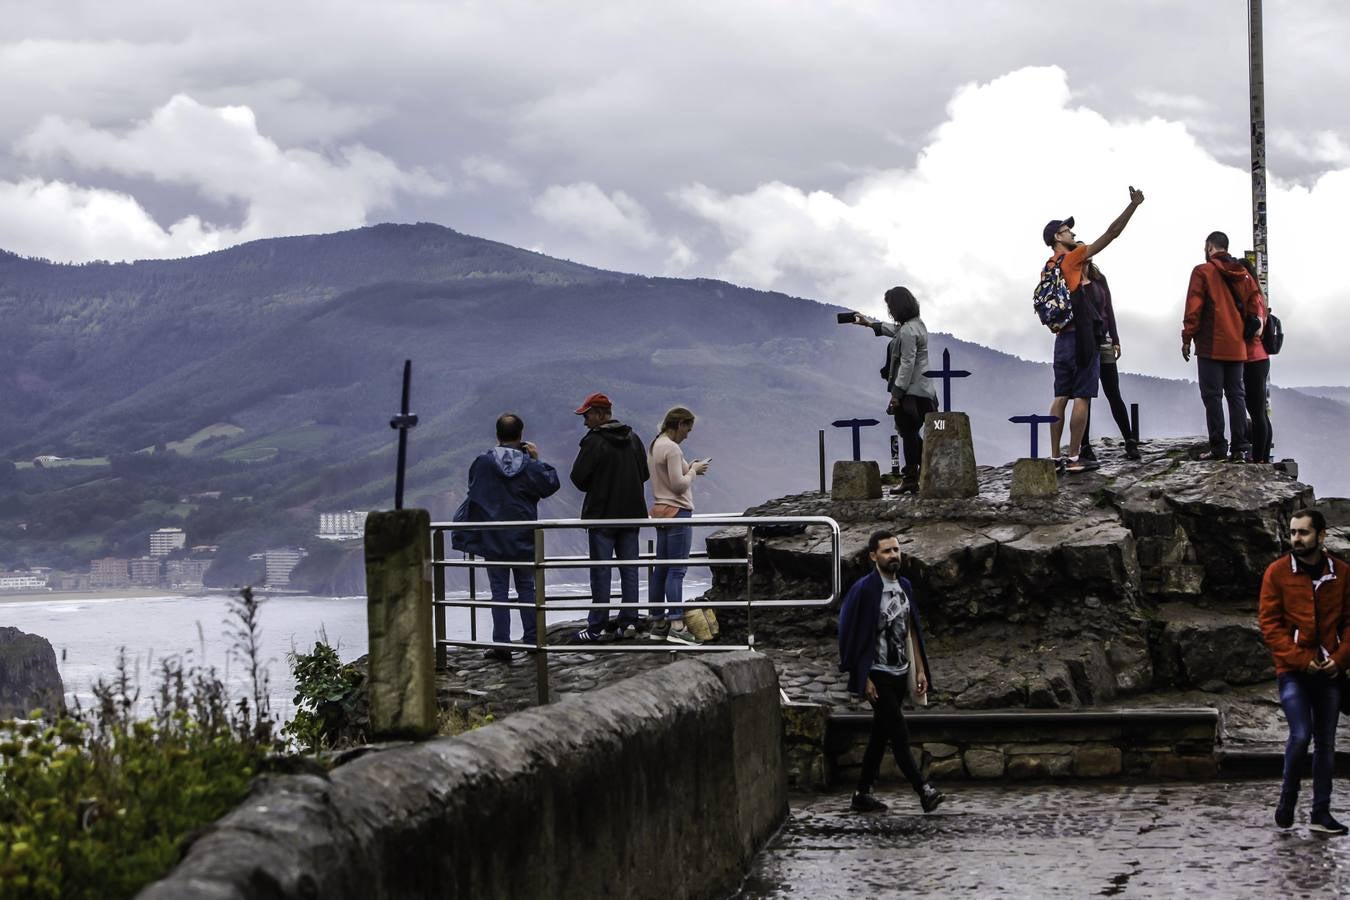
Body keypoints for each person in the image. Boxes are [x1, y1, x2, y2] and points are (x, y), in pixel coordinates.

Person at [837, 529, 944, 814]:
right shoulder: (864, 590)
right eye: (887, 551)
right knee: (898, 731)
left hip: (900, 671)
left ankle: (862, 793)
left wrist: (920, 670)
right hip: (878, 674)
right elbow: (849, 632)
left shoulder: (905, 586)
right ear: (873, 556)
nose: (893, 555)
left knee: (880, 734)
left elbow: (912, 630)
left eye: (896, 550)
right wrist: (863, 677)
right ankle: (923, 789)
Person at [1258, 509, 1350, 834]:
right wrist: (1299, 659)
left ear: (1321, 535)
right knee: (1300, 736)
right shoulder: (1277, 573)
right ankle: (1287, 800)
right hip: (1294, 672)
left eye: (1304, 533)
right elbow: (1270, 626)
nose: (1296, 538)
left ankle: (1320, 814)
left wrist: (1339, 660)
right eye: (1293, 532)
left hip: (1330, 672)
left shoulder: (1341, 573)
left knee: (1326, 743)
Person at [1042, 186, 1145, 473]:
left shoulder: (1048, 266)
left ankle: (1053, 456)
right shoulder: (1072, 259)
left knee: (1060, 396)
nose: (1073, 234)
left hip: (1061, 340)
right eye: (1067, 231)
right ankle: (1075, 457)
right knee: (1082, 397)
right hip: (1081, 337)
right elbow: (1111, 234)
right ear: (1057, 238)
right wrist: (1133, 206)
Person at [452, 414, 560, 661]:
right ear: (521, 435)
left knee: (498, 592)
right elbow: (551, 484)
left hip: (494, 538)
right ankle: (533, 641)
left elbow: (474, 490)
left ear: (497, 435)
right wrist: (536, 459)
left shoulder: (483, 462)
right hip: (523, 537)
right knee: (526, 589)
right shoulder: (530, 464)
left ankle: (502, 645)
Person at [570, 392, 650, 642]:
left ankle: (597, 627)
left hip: (602, 517)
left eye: (587, 415)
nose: (584, 421)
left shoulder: (593, 441)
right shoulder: (633, 439)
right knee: (630, 569)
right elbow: (644, 474)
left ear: (599, 414)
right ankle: (629, 621)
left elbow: (578, 478)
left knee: (601, 571)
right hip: (631, 515)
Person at [852, 287, 939, 493]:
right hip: (925, 392)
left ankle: (910, 478)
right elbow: (895, 331)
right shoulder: (916, 325)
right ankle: (931, 467)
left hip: (911, 393)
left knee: (908, 432)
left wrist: (897, 394)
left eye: (891, 306)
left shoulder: (909, 330)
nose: (890, 311)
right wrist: (869, 323)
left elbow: (907, 363)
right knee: (912, 432)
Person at [1182, 231, 1257, 462]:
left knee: (1212, 396)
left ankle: (1218, 447)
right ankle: (1240, 448)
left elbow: (1194, 307)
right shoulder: (1244, 274)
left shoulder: (1203, 271)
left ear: (1209, 247)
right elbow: (1254, 308)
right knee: (1236, 395)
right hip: (1237, 347)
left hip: (1211, 345)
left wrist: (1187, 337)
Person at [647, 406, 711, 644]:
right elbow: (678, 485)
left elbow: (667, 478)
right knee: (677, 570)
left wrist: (690, 467)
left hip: (661, 512)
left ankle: (657, 622)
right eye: (688, 429)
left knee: (661, 568)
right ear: (679, 424)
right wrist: (693, 471)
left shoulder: (656, 445)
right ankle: (677, 625)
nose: (688, 435)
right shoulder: (673, 449)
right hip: (678, 512)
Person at [1078, 259, 1141, 462]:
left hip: (1103, 340)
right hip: (1084, 342)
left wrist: (1115, 338)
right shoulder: (1072, 281)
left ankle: (1130, 440)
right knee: (1084, 395)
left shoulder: (1099, 279)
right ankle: (1084, 445)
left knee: (1113, 392)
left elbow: (1109, 310)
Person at [1239, 256, 1273, 464]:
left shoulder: (1255, 300)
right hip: (1259, 359)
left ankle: (1259, 458)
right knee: (1259, 412)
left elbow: (1257, 328)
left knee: (1256, 411)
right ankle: (1262, 456)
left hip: (1254, 359)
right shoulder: (1259, 297)